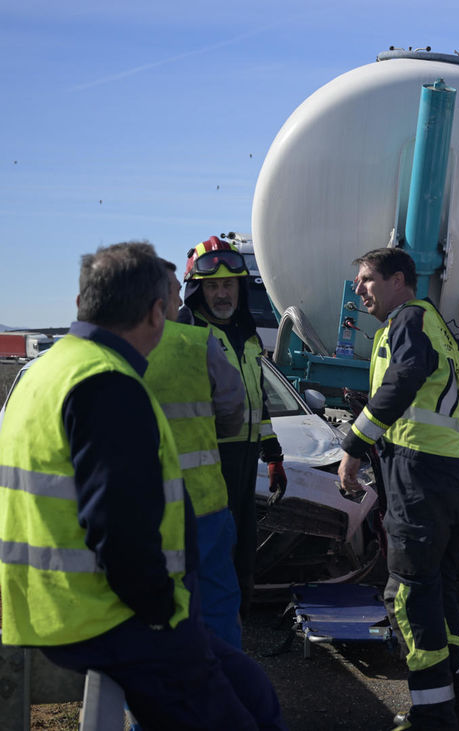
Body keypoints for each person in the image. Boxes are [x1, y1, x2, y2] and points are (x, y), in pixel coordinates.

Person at [0, 242, 285, 729]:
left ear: (81, 305)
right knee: (242, 714)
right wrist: (163, 613)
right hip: (104, 618)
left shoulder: (45, 369)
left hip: (51, 606)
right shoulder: (106, 383)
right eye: (172, 304)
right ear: (157, 313)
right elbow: (119, 529)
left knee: (250, 684)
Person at [339, 247, 459, 730]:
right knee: (438, 592)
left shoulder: (406, 322)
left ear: (399, 280)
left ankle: (433, 718)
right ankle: (451, 711)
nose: (359, 291)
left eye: (366, 280)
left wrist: (355, 442)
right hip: (446, 473)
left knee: (409, 594)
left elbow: (405, 376)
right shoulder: (436, 324)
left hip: (417, 475)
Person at [178, 236, 287, 615]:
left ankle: (234, 631)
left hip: (244, 461)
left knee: (242, 549)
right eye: (212, 286)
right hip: (206, 462)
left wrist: (273, 455)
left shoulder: (248, 335)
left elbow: (259, 399)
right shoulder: (187, 335)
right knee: (211, 553)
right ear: (198, 289)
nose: (222, 294)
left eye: (228, 285)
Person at [145, 262, 247, 648]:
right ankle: (224, 696)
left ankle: (151, 703)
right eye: (175, 294)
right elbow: (232, 411)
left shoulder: (107, 349)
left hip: (141, 513)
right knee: (217, 608)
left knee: (151, 613)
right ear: (162, 300)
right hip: (201, 507)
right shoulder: (196, 342)